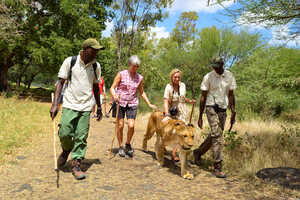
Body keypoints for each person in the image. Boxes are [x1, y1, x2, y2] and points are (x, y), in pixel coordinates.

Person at [50, 38, 104, 180]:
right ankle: (67, 149)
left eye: (97, 50)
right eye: (94, 50)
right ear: (85, 49)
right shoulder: (70, 61)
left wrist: (99, 107)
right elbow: (60, 83)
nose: (96, 53)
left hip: (86, 106)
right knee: (64, 133)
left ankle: (76, 164)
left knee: (81, 136)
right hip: (69, 104)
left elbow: (96, 87)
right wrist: (55, 104)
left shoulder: (96, 66)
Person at [193, 56, 237, 178]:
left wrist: (233, 111)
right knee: (217, 136)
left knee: (215, 134)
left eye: (218, 67)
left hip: (223, 108)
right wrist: (200, 116)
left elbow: (231, 94)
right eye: (214, 67)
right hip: (211, 106)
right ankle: (217, 166)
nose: (215, 69)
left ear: (223, 65)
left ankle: (198, 152)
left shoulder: (229, 76)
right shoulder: (208, 77)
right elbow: (203, 97)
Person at [110, 55, 157, 158]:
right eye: (134, 66)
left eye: (137, 66)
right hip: (120, 103)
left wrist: (149, 104)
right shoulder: (121, 74)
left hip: (132, 103)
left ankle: (127, 144)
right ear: (129, 64)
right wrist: (114, 96)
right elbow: (112, 88)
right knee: (121, 125)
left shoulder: (139, 78)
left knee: (131, 125)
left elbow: (141, 92)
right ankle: (121, 146)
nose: (135, 68)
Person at [163, 69, 196, 162]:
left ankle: (174, 153)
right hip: (172, 111)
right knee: (169, 132)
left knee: (180, 133)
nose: (177, 79)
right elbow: (165, 100)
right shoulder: (168, 87)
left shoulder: (183, 85)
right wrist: (166, 113)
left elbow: (182, 97)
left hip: (182, 111)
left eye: (178, 77)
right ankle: (163, 145)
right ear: (171, 77)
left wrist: (189, 101)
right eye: (175, 77)